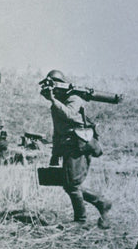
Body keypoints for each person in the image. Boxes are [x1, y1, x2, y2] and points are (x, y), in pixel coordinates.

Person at [42, 69, 111, 228]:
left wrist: (53, 100)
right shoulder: (57, 103)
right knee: (68, 184)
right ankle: (102, 203)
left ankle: (80, 220)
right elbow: (58, 131)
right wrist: (55, 154)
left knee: (72, 185)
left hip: (78, 148)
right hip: (67, 147)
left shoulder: (74, 98)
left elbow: (70, 115)